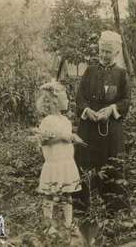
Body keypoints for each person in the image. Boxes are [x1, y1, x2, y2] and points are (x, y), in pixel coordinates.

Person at [73, 30, 131, 217]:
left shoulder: (122, 74)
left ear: (116, 53)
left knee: (112, 164)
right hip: (89, 127)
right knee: (85, 162)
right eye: (101, 51)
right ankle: (82, 206)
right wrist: (86, 110)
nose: (104, 55)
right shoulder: (90, 71)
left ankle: (115, 209)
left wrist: (111, 109)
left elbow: (126, 101)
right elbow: (80, 96)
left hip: (111, 129)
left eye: (108, 52)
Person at [35, 80, 86, 230]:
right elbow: (43, 141)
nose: (68, 101)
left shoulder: (65, 120)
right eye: (65, 99)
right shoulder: (47, 121)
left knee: (67, 194)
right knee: (49, 195)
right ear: (55, 102)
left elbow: (66, 137)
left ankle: (68, 223)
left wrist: (72, 139)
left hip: (66, 162)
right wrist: (61, 137)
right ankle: (48, 225)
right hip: (54, 163)